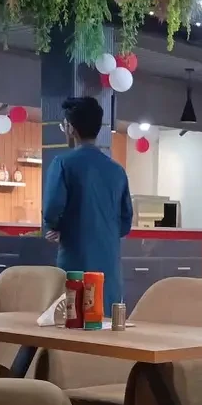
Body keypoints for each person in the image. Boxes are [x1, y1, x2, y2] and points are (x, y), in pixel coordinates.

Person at [43, 96, 133, 314]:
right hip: (109, 264)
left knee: (74, 318)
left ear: (70, 128)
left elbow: (52, 210)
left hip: (75, 258)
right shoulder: (117, 171)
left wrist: (58, 227)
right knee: (105, 319)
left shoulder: (63, 163)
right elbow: (125, 222)